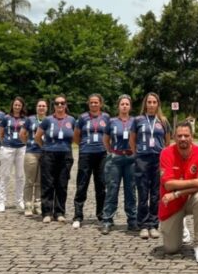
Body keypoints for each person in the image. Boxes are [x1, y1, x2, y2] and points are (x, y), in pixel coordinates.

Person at [158, 122, 198, 263]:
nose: (182, 138)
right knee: (171, 249)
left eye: (186, 135)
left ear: (191, 137)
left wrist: (177, 193)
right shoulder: (166, 153)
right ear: (174, 137)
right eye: (179, 135)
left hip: (185, 199)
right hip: (171, 204)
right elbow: (168, 185)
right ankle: (180, 226)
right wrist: (195, 182)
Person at [131, 92, 171, 239]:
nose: (152, 105)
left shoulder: (163, 121)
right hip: (142, 158)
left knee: (155, 194)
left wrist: (164, 157)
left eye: (154, 102)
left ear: (158, 104)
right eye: (149, 102)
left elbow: (167, 142)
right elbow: (132, 139)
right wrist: (137, 154)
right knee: (142, 192)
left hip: (158, 160)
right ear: (145, 104)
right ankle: (142, 225)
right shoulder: (138, 120)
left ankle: (153, 224)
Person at [100, 94, 138, 234]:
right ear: (118, 106)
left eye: (127, 104)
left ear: (130, 106)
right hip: (115, 159)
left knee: (131, 191)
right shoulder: (112, 121)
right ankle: (107, 220)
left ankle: (132, 220)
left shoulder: (135, 121)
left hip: (130, 159)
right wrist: (110, 151)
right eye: (122, 104)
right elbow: (105, 139)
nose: (124, 106)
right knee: (112, 190)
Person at [35, 95, 76, 223]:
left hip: (65, 154)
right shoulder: (47, 120)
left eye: (62, 103)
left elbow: (76, 137)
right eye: (57, 103)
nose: (59, 105)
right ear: (54, 106)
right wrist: (45, 148)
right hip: (49, 154)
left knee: (62, 184)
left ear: (66, 105)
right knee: (48, 183)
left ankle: (59, 212)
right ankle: (47, 212)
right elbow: (38, 136)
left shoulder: (72, 120)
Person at [72, 94, 110, 228]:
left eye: (96, 102)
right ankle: (78, 215)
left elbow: (109, 135)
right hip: (86, 154)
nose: (94, 105)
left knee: (101, 185)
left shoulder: (106, 117)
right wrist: (83, 146)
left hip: (101, 154)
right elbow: (76, 136)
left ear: (100, 104)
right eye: (91, 102)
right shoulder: (82, 117)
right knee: (82, 184)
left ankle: (101, 214)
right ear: (88, 104)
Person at [0, 97, 27, 212]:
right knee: (5, 175)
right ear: (12, 105)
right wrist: (4, 143)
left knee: (20, 176)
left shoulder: (25, 119)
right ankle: (1, 201)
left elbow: (26, 133)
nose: (17, 107)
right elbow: (0, 133)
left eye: (19, 105)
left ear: (22, 106)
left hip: (21, 148)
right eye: (15, 105)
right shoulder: (6, 118)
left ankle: (19, 200)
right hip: (7, 148)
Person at [20, 99, 47, 216]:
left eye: (43, 106)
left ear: (46, 108)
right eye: (39, 106)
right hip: (31, 152)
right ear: (36, 108)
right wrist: (28, 143)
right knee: (30, 180)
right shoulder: (30, 119)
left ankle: (38, 204)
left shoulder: (49, 120)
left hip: (44, 152)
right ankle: (27, 204)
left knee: (40, 181)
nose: (41, 108)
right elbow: (22, 134)